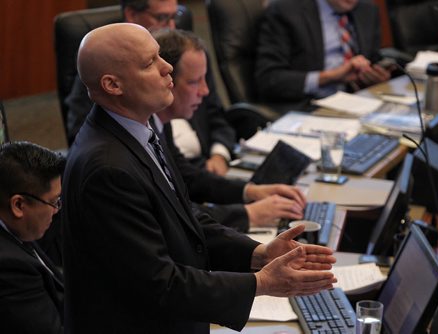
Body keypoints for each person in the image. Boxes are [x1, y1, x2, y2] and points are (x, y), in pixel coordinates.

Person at [62, 23, 337, 333]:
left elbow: (183, 218)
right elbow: (159, 284)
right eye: (150, 62)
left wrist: (258, 253)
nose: (167, 67)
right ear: (113, 85)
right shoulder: (107, 169)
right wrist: (261, 283)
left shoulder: (138, 132)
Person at [151, 28, 306, 231]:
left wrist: (251, 191)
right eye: (194, 82)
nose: (205, 91)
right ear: (165, 80)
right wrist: (250, 214)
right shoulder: (146, 130)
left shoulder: (161, 124)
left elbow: (188, 177)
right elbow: (173, 213)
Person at [66, 0, 235, 179]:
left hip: (204, 170)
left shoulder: (192, 55)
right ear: (132, 15)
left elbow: (215, 113)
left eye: (175, 16)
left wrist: (220, 155)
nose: (172, 25)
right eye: (162, 17)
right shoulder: (103, 71)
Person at [255, 0, 392, 104]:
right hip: (308, 106)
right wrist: (330, 77)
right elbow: (269, 79)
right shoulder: (285, 9)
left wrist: (375, 76)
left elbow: (373, 59)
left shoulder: (367, 9)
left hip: (358, 102)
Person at [0, 141, 65, 333]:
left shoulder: (19, 228)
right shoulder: (8, 266)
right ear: (19, 205)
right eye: (53, 202)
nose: (56, 211)